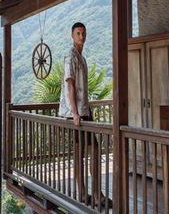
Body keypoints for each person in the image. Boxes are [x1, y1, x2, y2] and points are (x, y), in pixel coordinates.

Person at [59, 22, 112, 208]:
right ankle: (93, 195)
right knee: (90, 151)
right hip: (76, 113)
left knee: (86, 152)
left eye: (83, 33)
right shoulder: (70, 56)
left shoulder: (82, 58)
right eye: (78, 33)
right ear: (72, 36)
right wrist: (74, 113)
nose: (82, 36)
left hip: (84, 111)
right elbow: (70, 84)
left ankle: (88, 194)